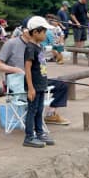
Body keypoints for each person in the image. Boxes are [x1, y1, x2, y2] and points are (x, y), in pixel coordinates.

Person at [0, 17, 70, 126]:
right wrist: (15, 69)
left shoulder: (38, 45)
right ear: (26, 31)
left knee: (62, 84)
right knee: (37, 94)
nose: (44, 34)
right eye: (42, 31)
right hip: (19, 83)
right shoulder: (11, 43)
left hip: (36, 79)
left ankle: (50, 114)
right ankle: (33, 128)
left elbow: (42, 66)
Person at [23, 16, 57, 147]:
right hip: (34, 86)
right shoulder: (30, 48)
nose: (46, 34)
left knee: (39, 110)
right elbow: (27, 68)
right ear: (36, 32)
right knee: (32, 110)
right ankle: (29, 136)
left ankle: (40, 133)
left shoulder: (39, 47)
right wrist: (30, 87)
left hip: (41, 85)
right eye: (44, 31)